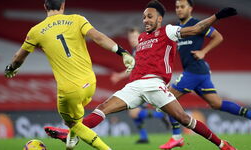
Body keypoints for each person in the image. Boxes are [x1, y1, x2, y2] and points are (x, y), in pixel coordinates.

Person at [44, 0, 238, 149]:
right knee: (103, 108)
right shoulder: (141, 38)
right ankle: (70, 133)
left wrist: (217, 16)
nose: (146, 20)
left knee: (184, 119)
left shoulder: (168, 31)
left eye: (150, 17)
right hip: (134, 86)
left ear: (159, 19)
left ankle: (222, 144)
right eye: (144, 17)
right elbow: (143, 60)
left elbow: (196, 29)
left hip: (155, 85)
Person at [4, 0, 135, 150]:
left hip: (69, 90)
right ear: (63, 5)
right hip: (90, 83)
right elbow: (98, 37)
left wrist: (10, 69)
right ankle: (70, 141)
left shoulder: (36, 31)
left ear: (45, 7)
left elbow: (18, 58)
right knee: (76, 118)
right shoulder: (77, 19)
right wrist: (122, 53)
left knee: (73, 123)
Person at [158, 0, 251, 149]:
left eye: (182, 6)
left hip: (194, 71)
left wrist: (203, 51)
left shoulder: (197, 24)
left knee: (166, 99)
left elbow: (218, 37)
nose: (179, 10)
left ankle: (176, 137)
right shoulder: (178, 28)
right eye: (177, 7)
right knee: (216, 103)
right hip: (199, 71)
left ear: (190, 8)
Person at [111, 27, 170, 144]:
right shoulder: (135, 50)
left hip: (145, 85)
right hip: (137, 85)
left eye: (134, 37)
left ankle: (160, 116)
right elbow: (133, 68)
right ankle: (144, 136)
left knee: (134, 112)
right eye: (130, 37)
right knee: (133, 113)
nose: (132, 39)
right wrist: (120, 76)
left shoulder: (143, 49)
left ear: (141, 36)